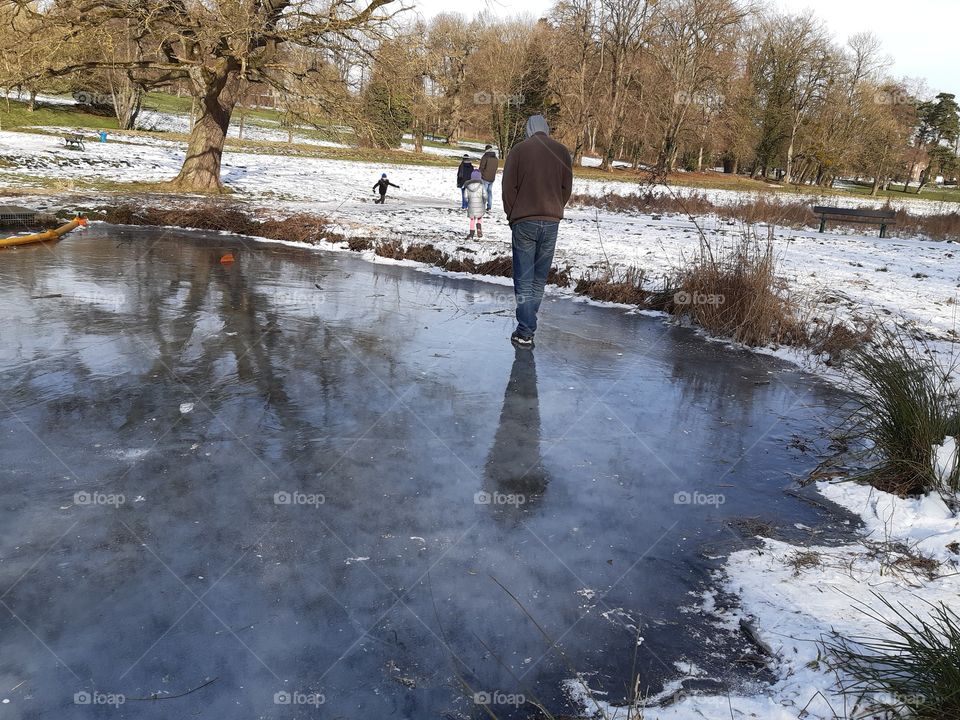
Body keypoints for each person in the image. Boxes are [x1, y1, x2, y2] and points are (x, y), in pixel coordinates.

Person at [501, 115, 573, 349]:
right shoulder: (562, 151)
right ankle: (527, 328)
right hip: (551, 222)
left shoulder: (519, 151)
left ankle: (525, 331)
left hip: (524, 221)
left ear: (528, 129)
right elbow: (566, 187)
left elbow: (508, 188)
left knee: (524, 278)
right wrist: (556, 209)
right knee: (539, 279)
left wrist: (513, 215)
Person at [463, 169, 487, 239]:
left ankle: (471, 233)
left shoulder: (468, 186)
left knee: (472, 219)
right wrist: (484, 201)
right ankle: (479, 228)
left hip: (471, 205)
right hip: (480, 204)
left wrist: (468, 201)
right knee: (479, 217)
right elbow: (485, 195)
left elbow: (465, 196)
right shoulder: (482, 186)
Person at [479, 144, 498, 212]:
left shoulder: (485, 157)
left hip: (485, 177)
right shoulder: (495, 158)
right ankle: (489, 206)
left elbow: (481, 167)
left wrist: (480, 175)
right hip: (492, 178)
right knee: (489, 192)